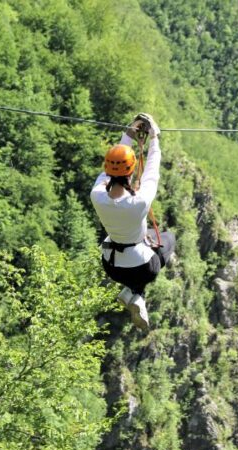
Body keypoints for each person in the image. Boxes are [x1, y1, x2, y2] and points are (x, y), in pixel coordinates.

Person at [90, 113, 175, 329]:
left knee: (141, 255)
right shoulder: (138, 202)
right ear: (130, 172)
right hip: (141, 267)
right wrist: (154, 137)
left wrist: (128, 134)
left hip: (111, 265)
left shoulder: (97, 195)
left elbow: (109, 171)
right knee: (169, 239)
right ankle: (135, 294)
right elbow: (152, 171)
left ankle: (136, 295)